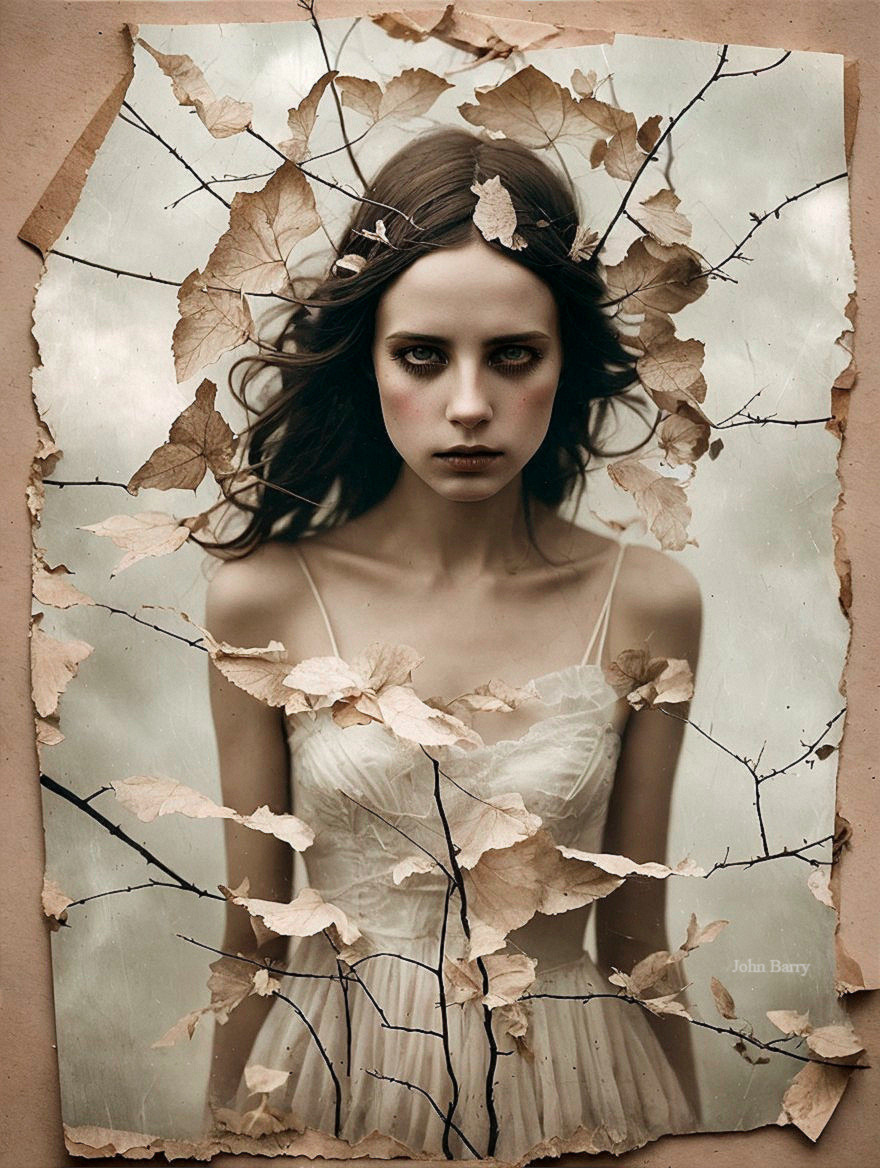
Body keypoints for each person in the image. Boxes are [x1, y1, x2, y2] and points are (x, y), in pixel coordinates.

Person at [204, 128, 702, 1160]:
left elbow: (637, 940)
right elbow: (253, 933)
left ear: (562, 360)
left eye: (512, 354)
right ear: (368, 358)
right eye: (422, 355)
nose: (468, 405)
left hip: (577, 1087)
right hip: (335, 1075)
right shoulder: (261, 601)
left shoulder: (649, 600)